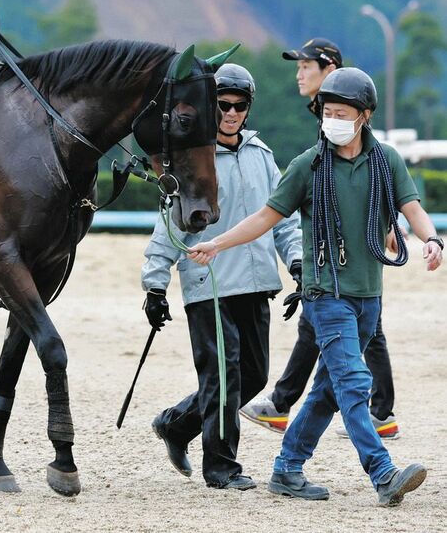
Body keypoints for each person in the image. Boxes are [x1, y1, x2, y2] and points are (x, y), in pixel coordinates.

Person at [188, 68, 442, 505]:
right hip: (326, 294)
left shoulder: (387, 161)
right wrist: (217, 242)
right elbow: (266, 218)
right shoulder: (307, 166)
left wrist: (431, 239)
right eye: (326, 113)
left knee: (327, 389)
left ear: (364, 116)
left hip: (368, 296)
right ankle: (382, 473)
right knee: (352, 381)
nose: (331, 120)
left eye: (341, 113)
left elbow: (411, 207)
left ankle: (287, 469)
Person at [141, 64, 303, 490]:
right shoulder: (195, 156)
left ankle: (176, 425)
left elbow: (282, 220)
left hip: (256, 283)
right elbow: (170, 224)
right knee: (224, 375)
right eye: (223, 104)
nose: (231, 112)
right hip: (207, 282)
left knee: (254, 375)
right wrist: (154, 285)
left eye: (239, 105)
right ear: (210, 107)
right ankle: (221, 467)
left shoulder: (263, 156)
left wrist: (299, 264)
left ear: (249, 108)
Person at [241, 38, 402, 440]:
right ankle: (283, 403)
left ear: (328, 68)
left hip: (353, 254)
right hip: (329, 260)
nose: (298, 74)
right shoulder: (327, 113)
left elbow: (371, 173)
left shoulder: (346, 114)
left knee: (365, 325)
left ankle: (380, 411)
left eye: (304, 66)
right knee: (319, 320)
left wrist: (385, 227)